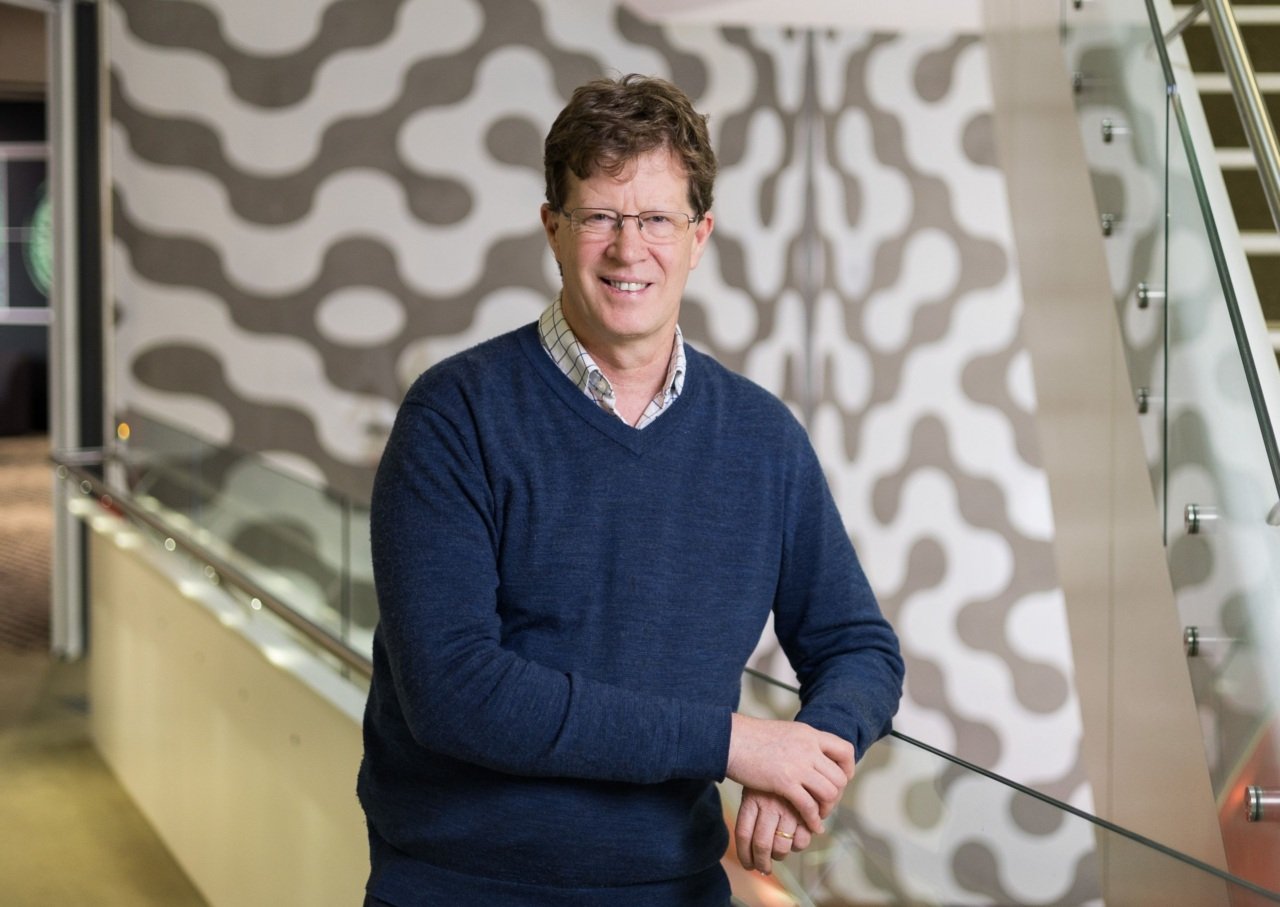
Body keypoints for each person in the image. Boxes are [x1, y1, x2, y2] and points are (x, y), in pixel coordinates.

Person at [357, 73, 903, 906]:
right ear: (553, 228)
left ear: (700, 236)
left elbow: (859, 645)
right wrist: (733, 745)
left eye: (655, 219)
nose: (627, 248)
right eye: (600, 217)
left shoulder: (762, 439)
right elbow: (456, 692)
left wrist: (811, 753)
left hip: (673, 888)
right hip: (464, 886)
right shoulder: (454, 415)